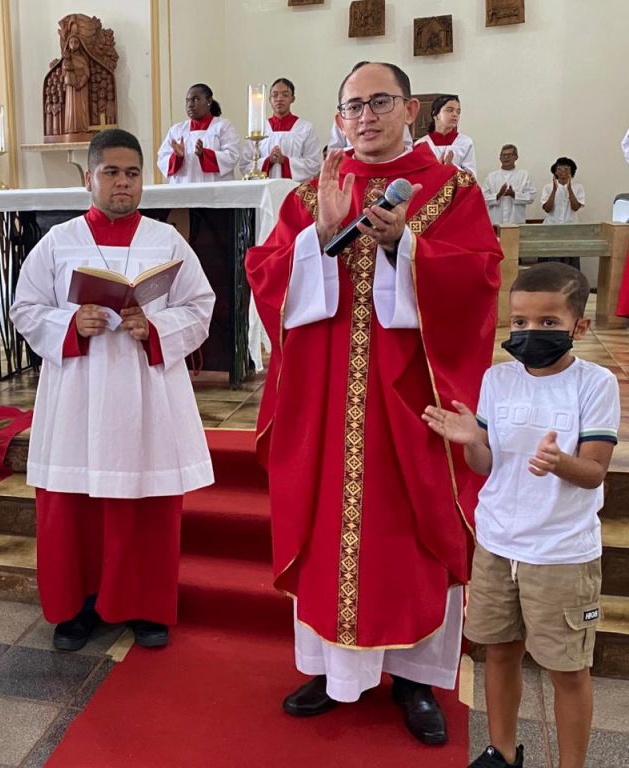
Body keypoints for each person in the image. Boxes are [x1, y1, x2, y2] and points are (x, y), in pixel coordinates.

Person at [246, 62, 503, 744]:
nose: (365, 116)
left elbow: (480, 277)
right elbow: (265, 275)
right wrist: (318, 238)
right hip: (326, 397)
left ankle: (416, 679)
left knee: (409, 531)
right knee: (327, 527)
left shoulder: (452, 189)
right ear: (339, 118)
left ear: (410, 109)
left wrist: (406, 247)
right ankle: (334, 672)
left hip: (412, 398)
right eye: (352, 106)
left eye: (379, 102)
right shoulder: (312, 191)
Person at [11, 128, 215, 650]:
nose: (122, 183)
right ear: (89, 178)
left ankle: (144, 605)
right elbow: (25, 308)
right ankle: (77, 607)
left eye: (132, 173)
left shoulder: (166, 241)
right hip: (78, 394)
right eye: (111, 172)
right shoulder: (59, 242)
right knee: (73, 505)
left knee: (145, 504)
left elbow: (200, 306)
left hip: (146, 392)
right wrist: (69, 323)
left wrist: (156, 326)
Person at [424, 263, 618, 768]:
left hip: (560, 550)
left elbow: (594, 472)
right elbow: (486, 463)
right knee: (499, 650)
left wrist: (559, 463)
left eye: (548, 322)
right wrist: (471, 442)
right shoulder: (498, 379)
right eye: (520, 322)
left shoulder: (594, 383)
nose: (531, 332)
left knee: (566, 669)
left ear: (579, 326)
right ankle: (502, 752)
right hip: (497, 542)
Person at [239, 78, 320, 182]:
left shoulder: (305, 128)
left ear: (292, 98)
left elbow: (314, 164)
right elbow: (245, 165)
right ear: (269, 99)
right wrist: (268, 161)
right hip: (265, 188)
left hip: (296, 188)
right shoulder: (259, 129)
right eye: (275, 95)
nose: (279, 99)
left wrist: (285, 161)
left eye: (285, 95)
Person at [157, 84, 240, 184]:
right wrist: (177, 157)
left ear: (209, 101)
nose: (190, 105)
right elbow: (162, 160)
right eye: (187, 101)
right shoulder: (176, 130)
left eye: (195, 99)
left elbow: (232, 156)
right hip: (184, 190)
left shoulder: (222, 126)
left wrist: (204, 154)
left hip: (215, 190)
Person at [416, 94, 477, 176]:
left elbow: (471, 179)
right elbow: (415, 176)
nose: (455, 114)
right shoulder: (421, 144)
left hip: (455, 184)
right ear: (435, 114)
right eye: (450, 110)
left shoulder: (465, 142)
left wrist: (451, 167)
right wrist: (436, 168)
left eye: (458, 112)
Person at [481, 144, 535, 226]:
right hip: (495, 223)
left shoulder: (524, 175)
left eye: (509, 155)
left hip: (516, 223)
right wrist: (498, 195)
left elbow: (531, 197)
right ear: (500, 158)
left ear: (516, 157)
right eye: (504, 155)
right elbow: (482, 199)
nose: (506, 157)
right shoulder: (491, 177)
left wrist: (514, 194)